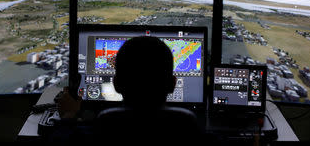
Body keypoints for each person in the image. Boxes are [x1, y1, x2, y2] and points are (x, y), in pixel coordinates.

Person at [56, 35, 202, 142]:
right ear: (173, 84)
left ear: (116, 84)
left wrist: (68, 115)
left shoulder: (104, 126)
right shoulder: (189, 127)